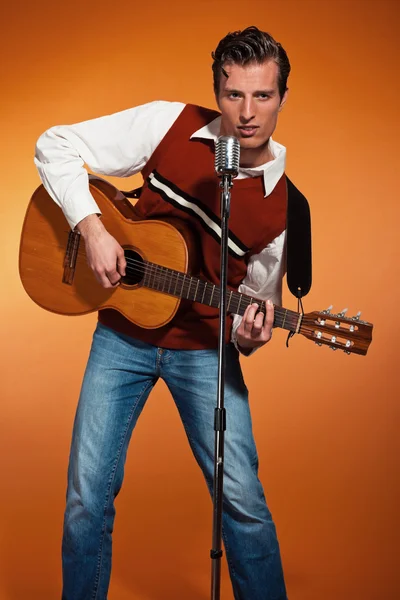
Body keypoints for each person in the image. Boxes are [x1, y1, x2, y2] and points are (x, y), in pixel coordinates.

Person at [35, 25, 291, 600]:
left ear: (281, 98)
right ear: (216, 92)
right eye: (234, 95)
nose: (246, 114)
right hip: (121, 337)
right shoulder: (167, 124)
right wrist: (93, 228)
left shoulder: (280, 208)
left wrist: (253, 334)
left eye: (262, 96)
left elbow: (256, 318)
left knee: (242, 500)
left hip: (204, 352)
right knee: (86, 495)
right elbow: (54, 144)